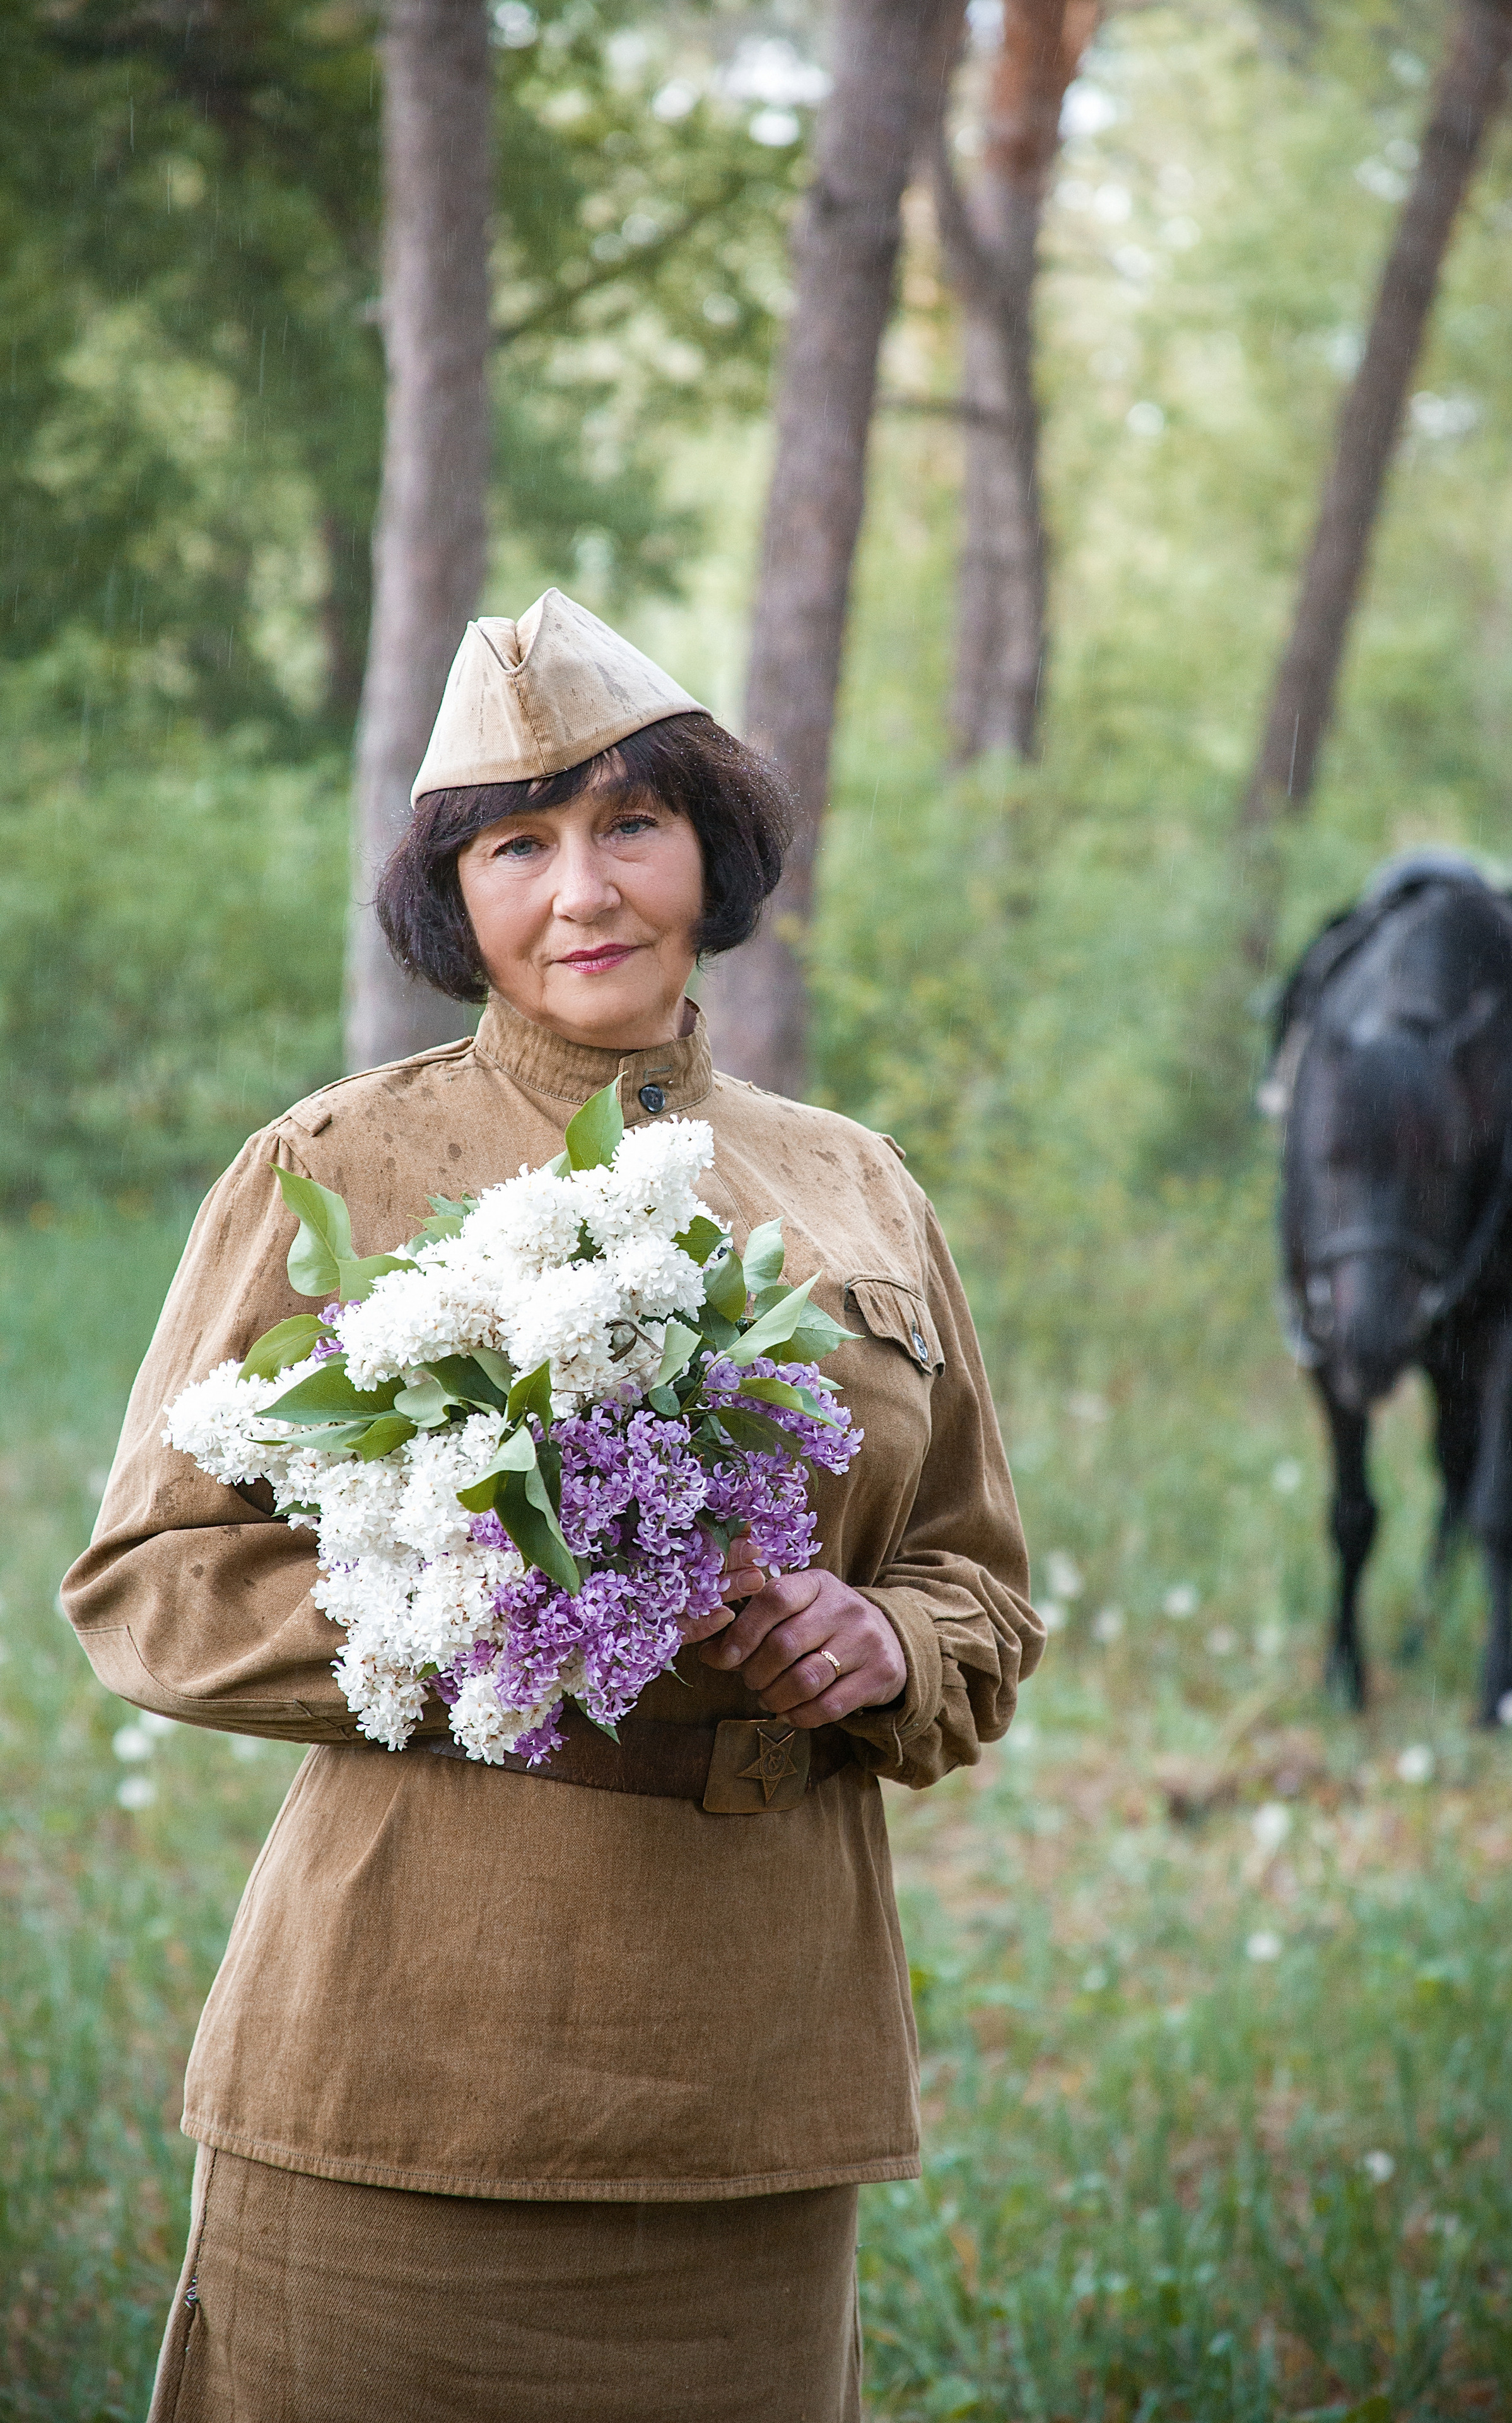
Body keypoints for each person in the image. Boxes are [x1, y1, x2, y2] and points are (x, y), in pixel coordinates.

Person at [64, 589, 1041, 2423]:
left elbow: (976, 1584)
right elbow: (152, 1588)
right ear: (457, 896)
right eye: (520, 844)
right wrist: (495, 1606)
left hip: (755, 2094)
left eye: (631, 827)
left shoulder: (855, 1188)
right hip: (396, 2080)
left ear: (710, 853)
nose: (583, 892)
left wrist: (883, 1642)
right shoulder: (333, 1169)